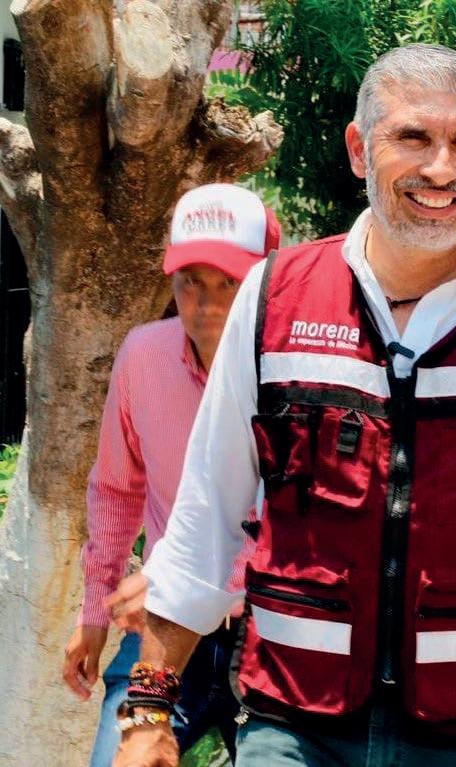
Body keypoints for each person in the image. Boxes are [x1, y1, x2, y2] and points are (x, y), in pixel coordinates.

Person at [115, 44, 456, 767]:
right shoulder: (276, 297)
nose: (441, 168)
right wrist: (148, 707)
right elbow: (204, 517)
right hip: (293, 723)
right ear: (358, 149)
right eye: (413, 137)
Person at [60, 184, 278, 766]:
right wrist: (94, 613)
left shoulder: (297, 370)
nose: (206, 304)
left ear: (267, 282)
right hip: (162, 628)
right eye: (190, 281)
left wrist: (209, 585)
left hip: (270, 636)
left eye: (229, 283)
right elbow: (116, 488)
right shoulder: (144, 355)